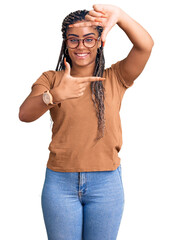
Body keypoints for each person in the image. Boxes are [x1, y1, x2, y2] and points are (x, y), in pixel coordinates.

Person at [19, 4, 154, 240]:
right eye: (73, 40)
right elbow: (25, 114)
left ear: (101, 42)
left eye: (89, 39)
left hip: (106, 183)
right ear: (65, 44)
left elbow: (145, 46)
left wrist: (120, 16)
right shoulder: (51, 79)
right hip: (60, 183)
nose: (81, 46)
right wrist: (53, 96)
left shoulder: (115, 76)